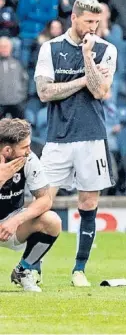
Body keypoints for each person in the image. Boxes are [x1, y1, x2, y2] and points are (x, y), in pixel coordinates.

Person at [34, 0, 117, 286]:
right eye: (88, 21)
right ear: (74, 17)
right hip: (57, 137)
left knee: (88, 201)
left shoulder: (107, 49)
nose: (93, 27)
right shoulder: (51, 48)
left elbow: (100, 92)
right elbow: (45, 93)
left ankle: (79, 269)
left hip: (92, 135)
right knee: (41, 203)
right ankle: (33, 267)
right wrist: (82, 80)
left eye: (97, 21)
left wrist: (86, 59)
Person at [0, 118, 61, 292]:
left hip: (11, 223)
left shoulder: (29, 159)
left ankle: (23, 270)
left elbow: (45, 199)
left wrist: (16, 220)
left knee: (52, 221)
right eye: (25, 147)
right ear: (7, 150)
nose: (30, 151)